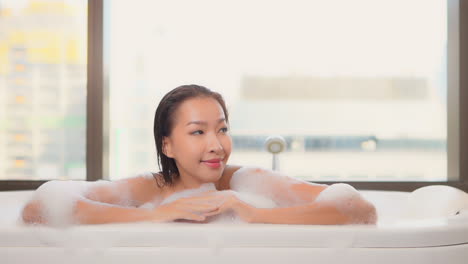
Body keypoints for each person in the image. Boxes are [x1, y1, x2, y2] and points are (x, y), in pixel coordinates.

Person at [21, 84, 377, 226]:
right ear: (167, 146)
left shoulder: (245, 181)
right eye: (197, 132)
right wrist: (157, 216)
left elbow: (360, 210)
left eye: (222, 129)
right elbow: (38, 209)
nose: (216, 145)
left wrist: (253, 214)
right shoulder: (150, 190)